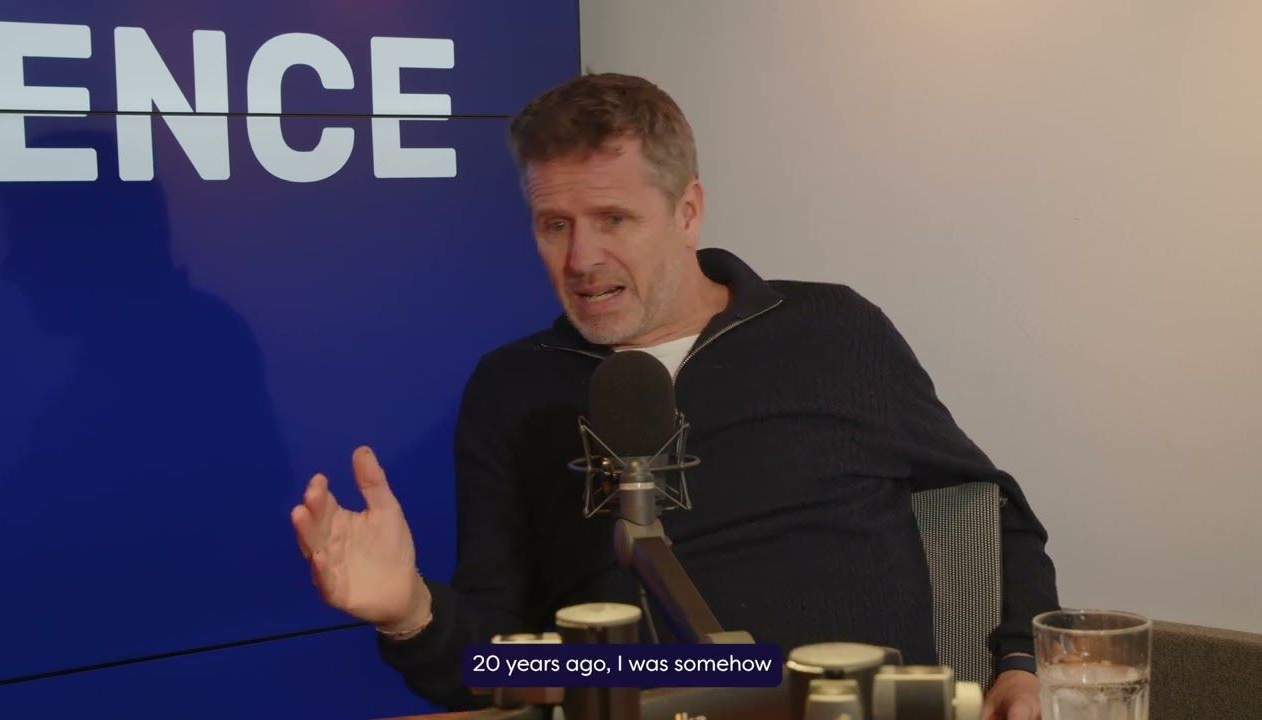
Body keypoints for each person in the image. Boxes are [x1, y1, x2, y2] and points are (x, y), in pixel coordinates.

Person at [290, 73, 1057, 720]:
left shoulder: (832, 332)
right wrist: (410, 613)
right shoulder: (512, 387)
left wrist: (1020, 662)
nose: (581, 258)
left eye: (613, 219)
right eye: (553, 224)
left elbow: (994, 516)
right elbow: (498, 662)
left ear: (687, 211)